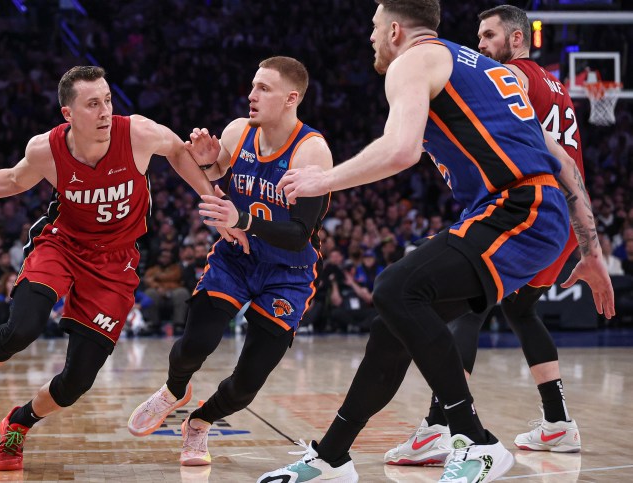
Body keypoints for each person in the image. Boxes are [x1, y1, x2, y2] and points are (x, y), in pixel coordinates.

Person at [259, 1, 614, 482]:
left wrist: (323, 181)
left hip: (519, 209)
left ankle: (475, 441)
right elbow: (565, 163)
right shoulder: (487, 70)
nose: (371, 37)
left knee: (395, 288)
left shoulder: (414, 60)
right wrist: (591, 252)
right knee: (391, 327)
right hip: (532, 215)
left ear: (396, 30)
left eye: (374, 27)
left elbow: (401, 150)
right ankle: (331, 457)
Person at [0, 65, 222, 472]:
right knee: (23, 326)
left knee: (76, 383)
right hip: (62, 245)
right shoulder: (46, 149)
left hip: (114, 263)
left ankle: (19, 423)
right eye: (93, 104)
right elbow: (14, 179)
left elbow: (179, 151)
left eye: (107, 100)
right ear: (68, 114)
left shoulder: (138, 133)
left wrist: (211, 200)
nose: (105, 111)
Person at [384, 5, 591, 466]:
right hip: (561, 212)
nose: (479, 45)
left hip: (530, 209)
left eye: (488, 35)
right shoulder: (555, 85)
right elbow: (568, 161)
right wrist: (590, 242)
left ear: (517, 40)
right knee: (518, 308)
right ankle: (557, 421)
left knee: (466, 307)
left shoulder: (508, 78)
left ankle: (440, 427)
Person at [127, 56, 333, 467]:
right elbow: (223, 176)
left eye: (263, 89)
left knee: (246, 384)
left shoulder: (312, 152)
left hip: (289, 272)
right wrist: (209, 163)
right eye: (253, 85)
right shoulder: (238, 131)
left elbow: (297, 235)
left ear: (292, 98)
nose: (251, 95)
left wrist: (244, 219)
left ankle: (200, 423)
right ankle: (174, 390)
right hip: (237, 256)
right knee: (195, 343)